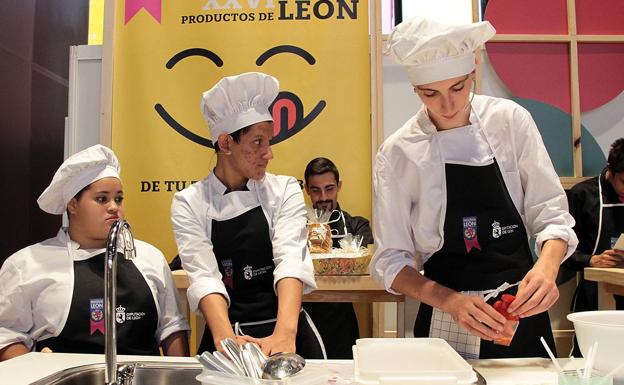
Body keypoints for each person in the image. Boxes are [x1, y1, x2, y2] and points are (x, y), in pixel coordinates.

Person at [371, 17, 578, 359]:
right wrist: (449, 301)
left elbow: (552, 215)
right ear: (415, 91)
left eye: (457, 87)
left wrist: (547, 268)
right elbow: (390, 262)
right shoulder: (398, 152)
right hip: (446, 312)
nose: (448, 106)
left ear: (474, 70)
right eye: (430, 94)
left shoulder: (510, 121)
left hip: (520, 307)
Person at [170, 72, 324, 358]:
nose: (269, 154)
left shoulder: (284, 189)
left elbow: (290, 259)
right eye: (257, 143)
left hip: (289, 332)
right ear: (226, 144)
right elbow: (204, 276)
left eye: (269, 141)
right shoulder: (189, 203)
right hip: (227, 335)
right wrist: (226, 338)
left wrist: (285, 334)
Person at [0, 145, 190, 361]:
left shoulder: (149, 256)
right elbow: (6, 336)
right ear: (73, 204)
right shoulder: (27, 264)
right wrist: (35, 368)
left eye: (118, 199)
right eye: (102, 199)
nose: (114, 207)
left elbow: (171, 327)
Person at [302, 157, 373, 359]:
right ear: (307, 190)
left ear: (339, 186)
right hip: (303, 315)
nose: (323, 197)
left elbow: (366, 264)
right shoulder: (295, 228)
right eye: (315, 190)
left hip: (341, 319)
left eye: (329, 188)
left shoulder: (357, 226)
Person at [564, 138, 624, 314]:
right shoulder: (582, 195)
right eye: (623, 181)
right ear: (609, 169)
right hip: (595, 293)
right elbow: (563, 252)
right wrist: (591, 260)